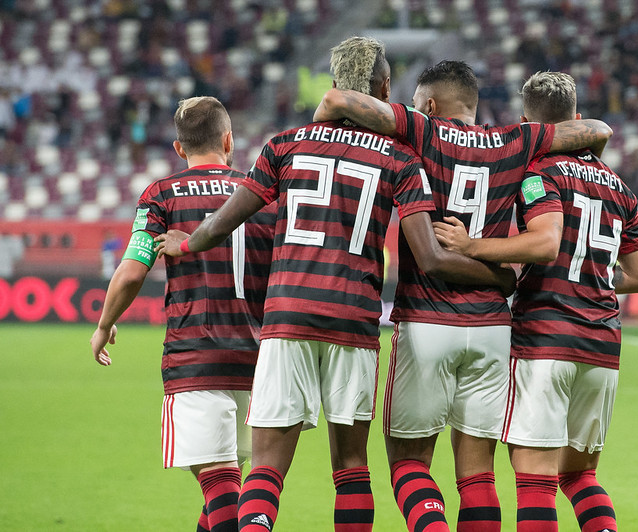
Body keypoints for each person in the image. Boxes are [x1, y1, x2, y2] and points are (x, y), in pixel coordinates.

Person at [155, 37, 515, 532]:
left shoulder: (285, 144)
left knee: (265, 470)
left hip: (288, 317)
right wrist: (499, 275)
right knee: (351, 469)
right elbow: (431, 254)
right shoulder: (399, 158)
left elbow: (222, 222)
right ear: (385, 89)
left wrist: (186, 244)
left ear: (332, 86)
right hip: (353, 319)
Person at [313, 61, 613, 531]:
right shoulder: (517, 139)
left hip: (427, 321)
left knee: (409, 465)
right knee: (477, 476)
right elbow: (595, 128)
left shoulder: (422, 130)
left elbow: (336, 101)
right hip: (493, 329)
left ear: (430, 105)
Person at [433, 71, 638, 532]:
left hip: (547, 340)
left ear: (529, 123)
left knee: (535, 479)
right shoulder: (620, 187)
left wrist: (470, 246)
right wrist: (589, 273)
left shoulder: (539, 173)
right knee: (581, 476)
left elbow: (543, 243)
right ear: (576, 118)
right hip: (603, 347)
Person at [90, 96, 276, 532]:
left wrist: (104, 323)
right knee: (229, 481)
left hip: (197, 357)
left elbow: (133, 271)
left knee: (219, 482)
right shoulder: (263, 192)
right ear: (229, 140)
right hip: (261, 360)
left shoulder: (162, 194)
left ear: (179, 148)